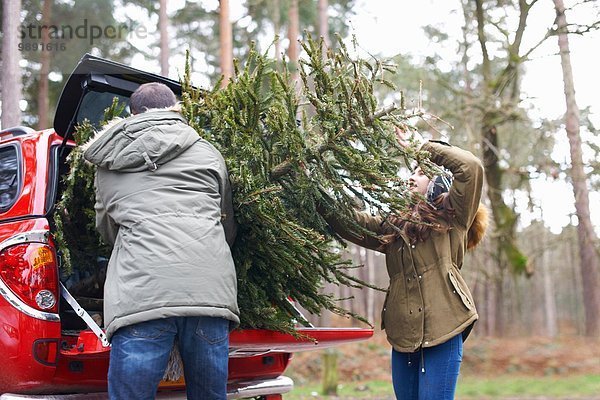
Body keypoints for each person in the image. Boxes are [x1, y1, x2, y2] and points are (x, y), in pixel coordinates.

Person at [83, 82, 239, 400]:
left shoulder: (108, 164)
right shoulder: (207, 152)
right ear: (174, 111)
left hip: (141, 294)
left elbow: (108, 230)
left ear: (133, 114)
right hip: (207, 289)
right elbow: (226, 222)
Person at [320, 128, 488, 400]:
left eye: (421, 172)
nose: (411, 177)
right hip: (403, 336)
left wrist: (420, 147)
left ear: (439, 183)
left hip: (446, 329)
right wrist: (314, 192)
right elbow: (352, 223)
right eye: (412, 171)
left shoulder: (454, 215)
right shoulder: (393, 226)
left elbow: (470, 167)